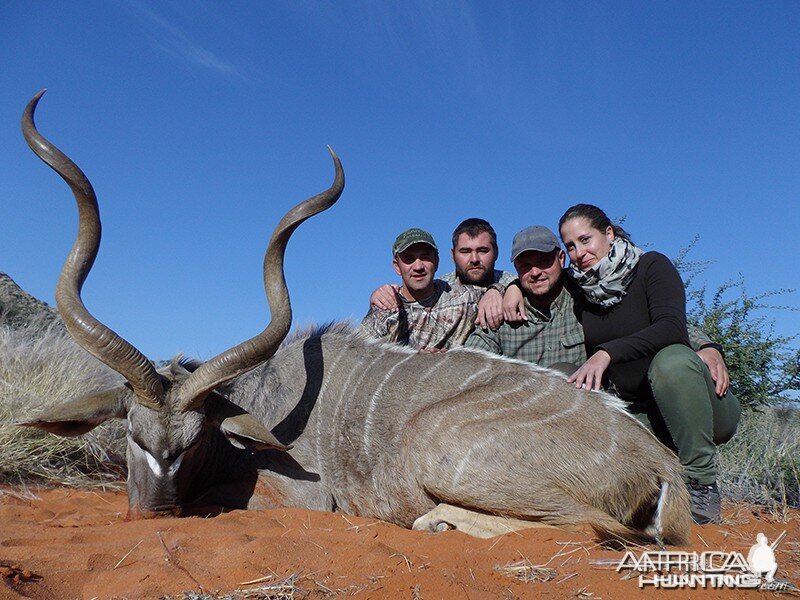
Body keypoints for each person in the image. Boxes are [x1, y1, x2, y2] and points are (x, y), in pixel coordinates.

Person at [465, 221, 737, 524]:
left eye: (543, 261)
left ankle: (695, 485)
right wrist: (501, 288)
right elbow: (471, 361)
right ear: (514, 268)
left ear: (560, 259)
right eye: (525, 266)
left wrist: (708, 345)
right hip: (534, 442)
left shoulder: (588, 291)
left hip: (602, 429)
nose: (535, 271)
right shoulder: (501, 311)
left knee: (564, 377)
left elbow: (654, 320)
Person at [558, 204, 740, 525]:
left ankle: (701, 484)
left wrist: (607, 353)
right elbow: (535, 280)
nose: (579, 252)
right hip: (644, 418)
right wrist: (508, 289)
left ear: (609, 233)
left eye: (586, 240)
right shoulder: (579, 288)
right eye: (570, 246)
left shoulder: (652, 266)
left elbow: (672, 327)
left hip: (704, 411)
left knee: (671, 362)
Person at [369, 219, 514, 332]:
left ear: (496, 253)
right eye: (465, 251)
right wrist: (380, 296)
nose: (474, 259)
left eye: (482, 250)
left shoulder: (513, 282)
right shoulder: (443, 289)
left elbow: (530, 286)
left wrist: (500, 290)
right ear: (452, 255)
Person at [361, 227, 484, 350]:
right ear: (397, 267)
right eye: (409, 259)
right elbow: (360, 354)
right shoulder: (386, 307)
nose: (418, 266)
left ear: (436, 262)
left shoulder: (464, 297)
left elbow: (498, 293)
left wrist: (495, 290)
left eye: (425, 258)